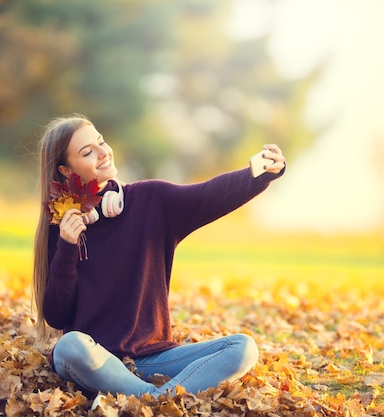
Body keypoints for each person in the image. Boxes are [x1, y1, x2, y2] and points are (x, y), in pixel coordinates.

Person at [32, 114, 286, 400]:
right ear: (66, 170)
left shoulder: (151, 200)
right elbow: (56, 316)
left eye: (101, 142)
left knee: (243, 348)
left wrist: (259, 173)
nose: (103, 152)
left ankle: (152, 400)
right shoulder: (62, 227)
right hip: (95, 360)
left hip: (153, 359)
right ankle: (160, 399)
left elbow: (208, 195)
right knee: (69, 347)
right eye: (88, 151)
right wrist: (67, 246)